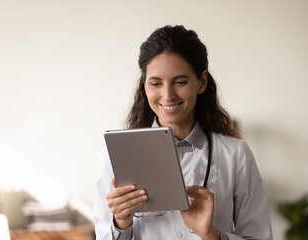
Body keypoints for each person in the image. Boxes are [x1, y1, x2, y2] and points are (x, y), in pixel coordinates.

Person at [94, 25, 273, 240]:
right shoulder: (116, 154)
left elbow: (260, 237)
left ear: (202, 82)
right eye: (156, 83)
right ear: (145, 86)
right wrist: (121, 223)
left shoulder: (235, 154)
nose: (168, 95)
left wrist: (212, 235)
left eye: (180, 82)